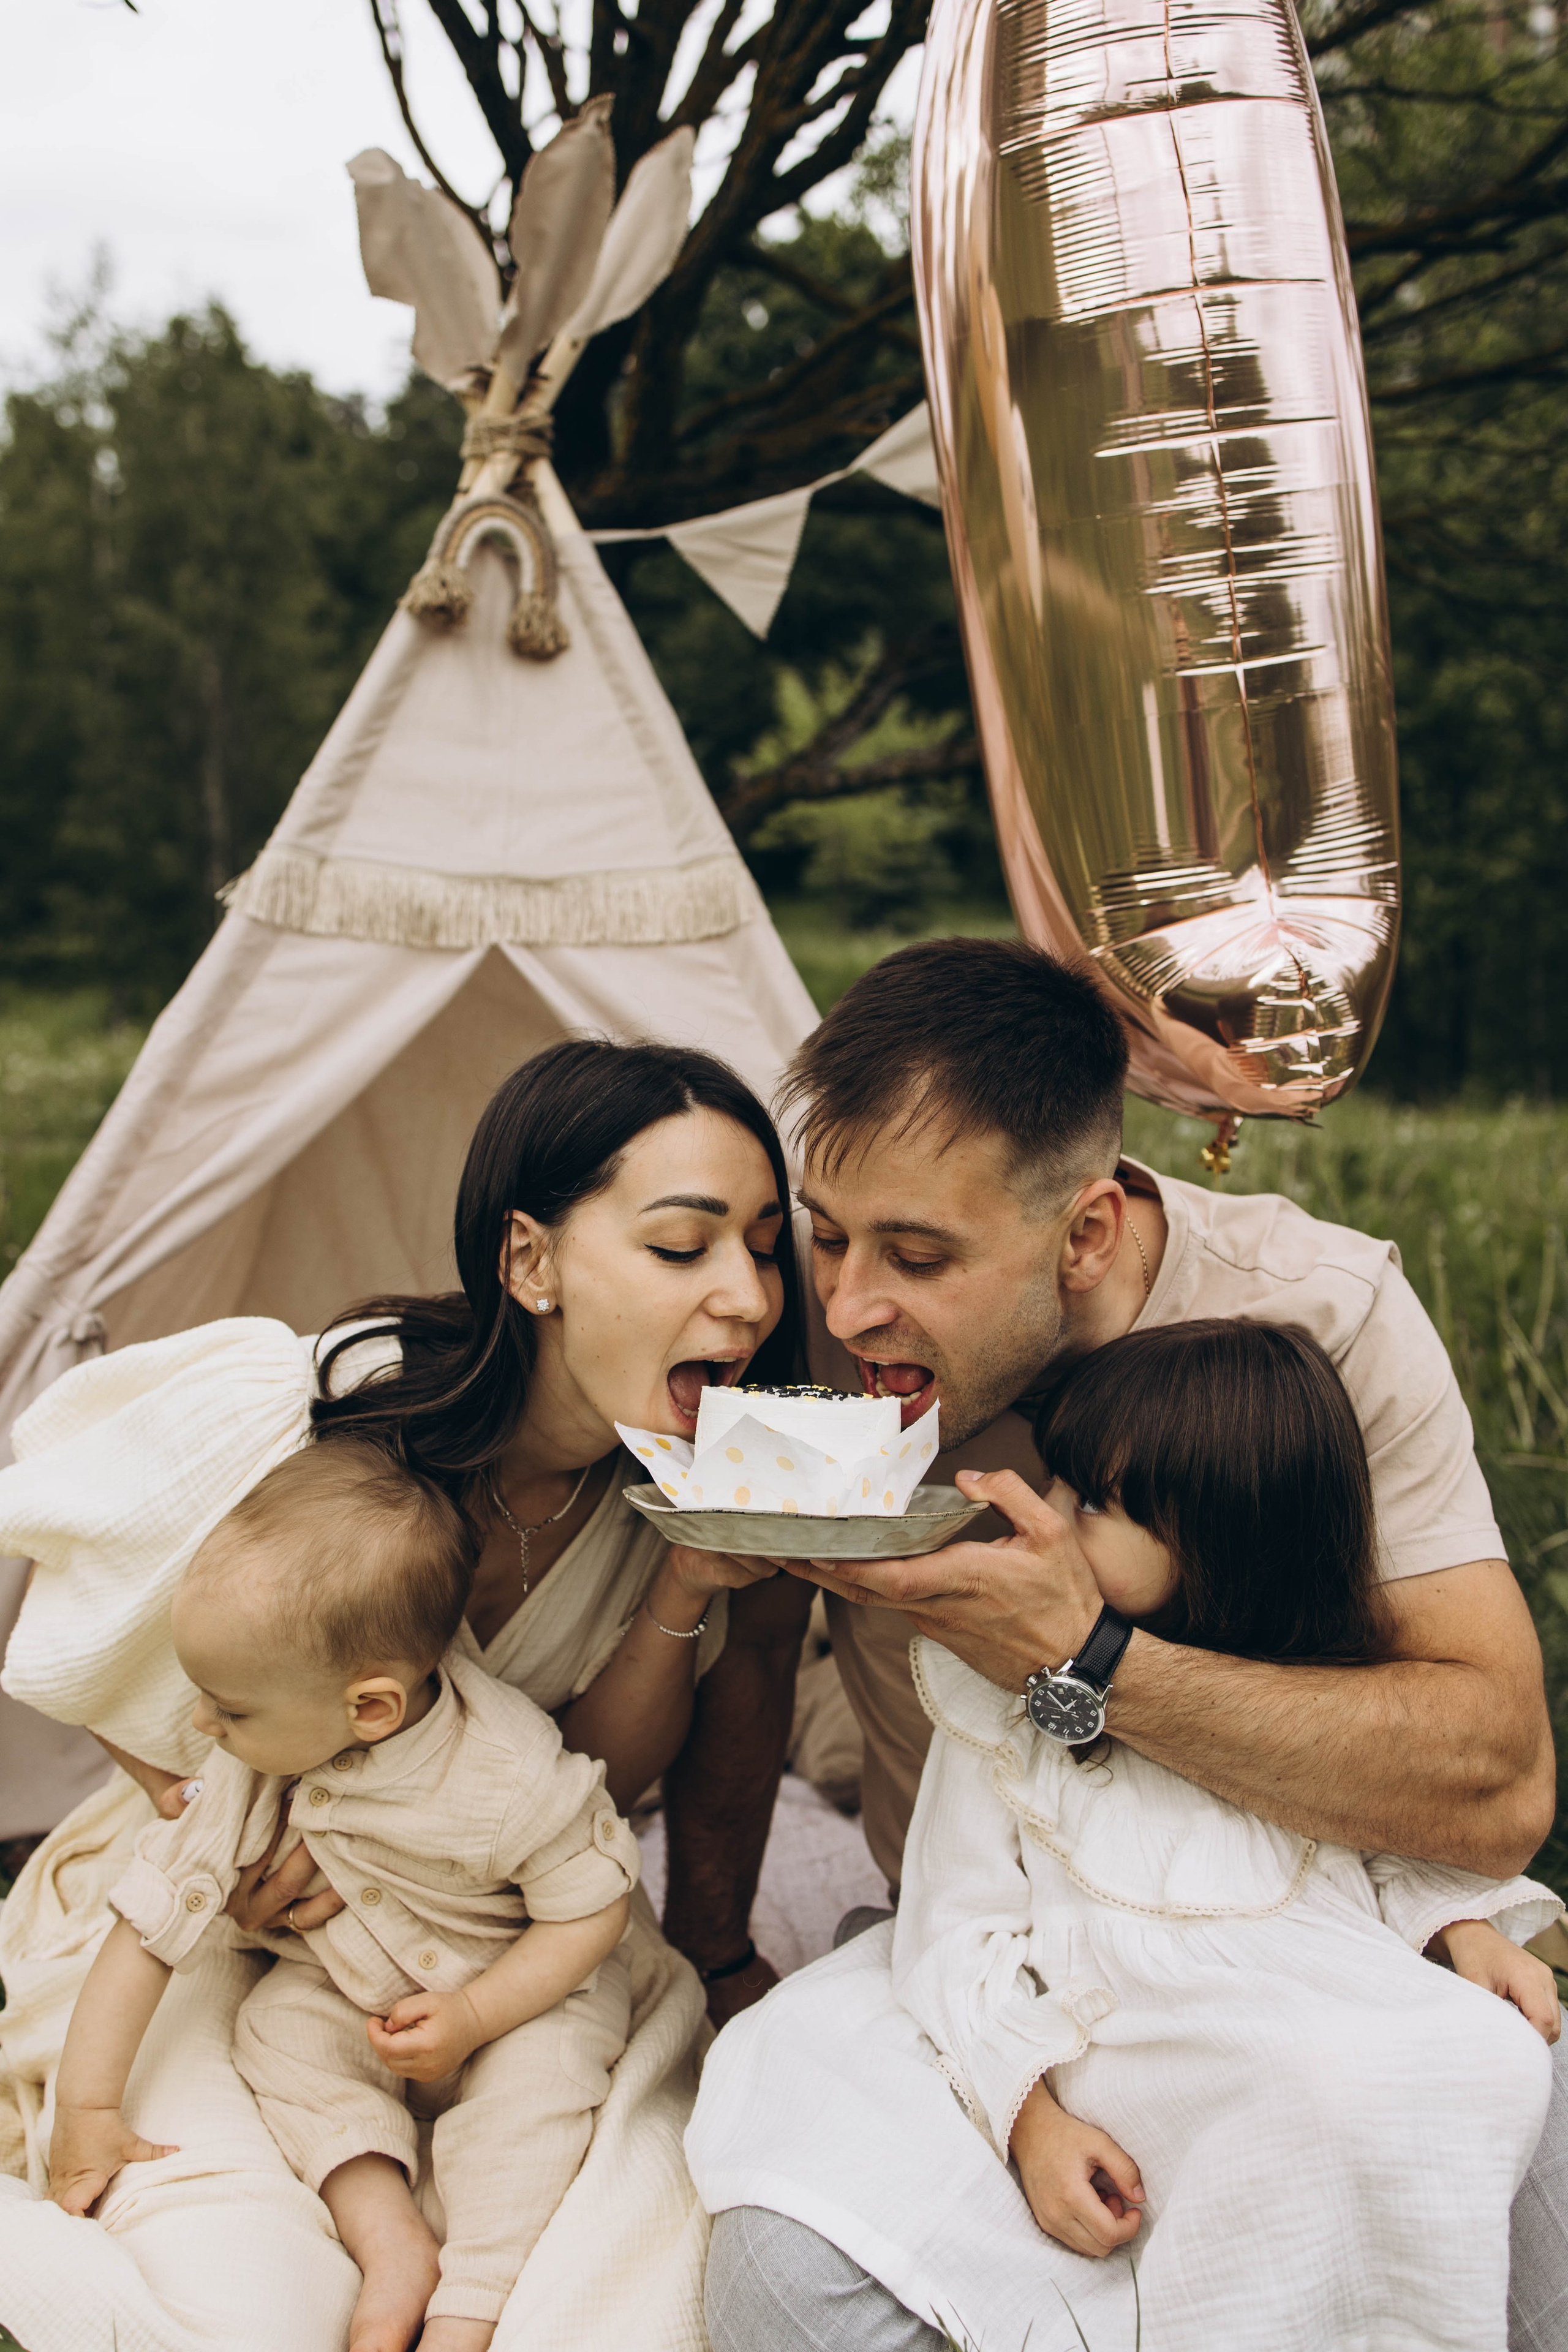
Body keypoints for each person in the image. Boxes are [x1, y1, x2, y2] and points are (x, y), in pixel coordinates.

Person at [664, 937, 1568, 2350]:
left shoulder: (1310, 1327)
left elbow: (1491, 1781)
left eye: (917, 1257)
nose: (844, 1309)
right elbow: (756, 1633)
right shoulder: (806, 1320)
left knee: (1508, 2102)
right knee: (780, 2272)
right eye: (827, 1234)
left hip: (1288, 1935)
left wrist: (1086, 1662)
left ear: (1083, 1233)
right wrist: (714, 1950)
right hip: (990, 1942)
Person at [0, 1037, 798, 2352]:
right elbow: (88, 1607)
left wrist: (684, 1584)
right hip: (239, 1910)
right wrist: (199, 1792)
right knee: (240, 2288)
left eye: (763, 1248)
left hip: (505, 1921)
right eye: (682, 1247)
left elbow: (586, 1786)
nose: (747, 1296)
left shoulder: (688, 1481)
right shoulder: (323, 1410)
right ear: (529, 1263)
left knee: (609, 2279)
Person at [50, 1439, 642, 2352]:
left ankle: (471, 2303)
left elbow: (591, 1908)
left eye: (230, 1709)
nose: (203, 1727)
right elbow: (146, 1930)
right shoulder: (247, 1770)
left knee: (537, 2103)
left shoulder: (507, 1770)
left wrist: (480, 2013)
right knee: (279, 2039)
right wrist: (89, 2112)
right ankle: (390, 2238)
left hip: (517, 1990)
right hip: (350, 1987)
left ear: (370, 1709)